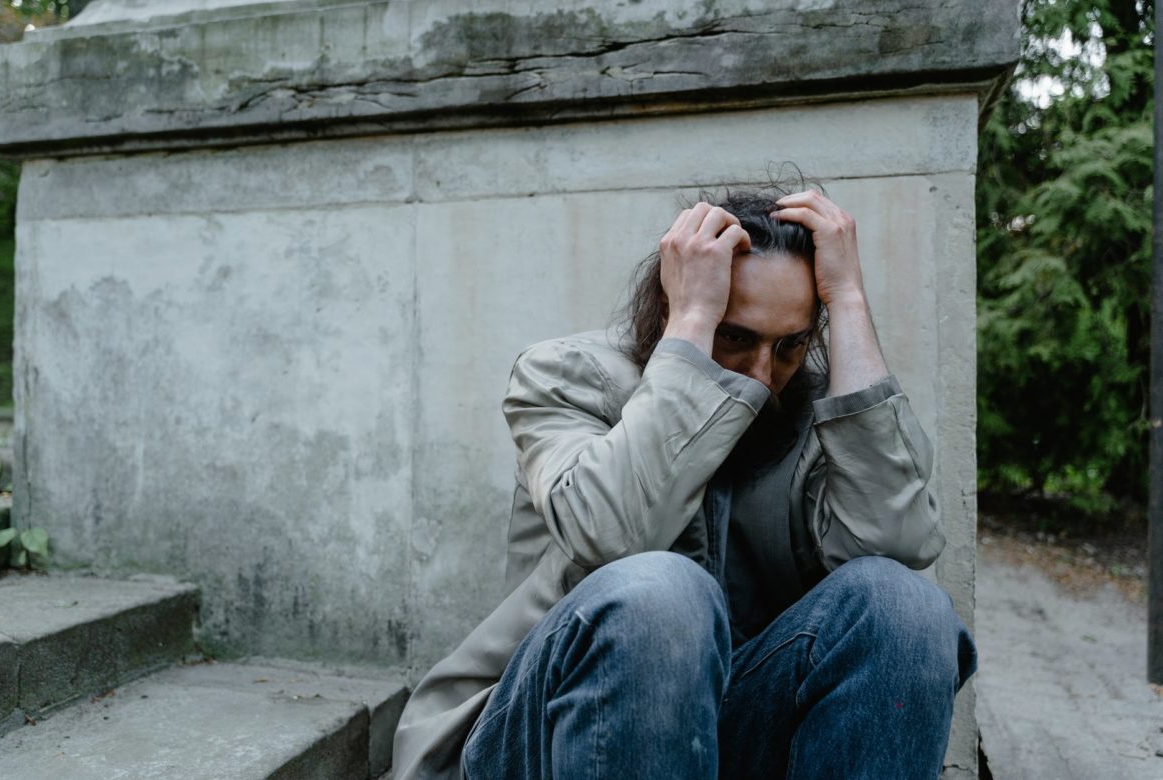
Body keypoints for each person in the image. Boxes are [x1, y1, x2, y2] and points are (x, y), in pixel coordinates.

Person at [392, 179, 978, 780]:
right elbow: (615, 533)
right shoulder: (565, 376)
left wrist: (849, 299)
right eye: (736, 337)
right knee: (660, 592)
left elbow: (896, 542)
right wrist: (694, 325)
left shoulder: (814, 414)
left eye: (790, 345)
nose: (762, 375)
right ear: (673, 305)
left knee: (905, 605)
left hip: (722, 737)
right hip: (538, 733)